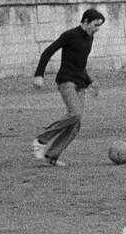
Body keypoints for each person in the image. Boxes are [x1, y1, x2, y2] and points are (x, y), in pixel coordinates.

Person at [31, 8, 105, 167]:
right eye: (95, 24)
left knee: (75, 124)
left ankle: (52, 155)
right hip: (66, 81)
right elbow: (47, 52)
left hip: (80, 84)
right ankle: (41, 139)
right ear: (85, 21)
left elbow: (80, 65)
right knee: (75, 113)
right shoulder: (70, 35)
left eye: (100, 25)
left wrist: (90, 81)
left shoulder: (90, 38)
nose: (97, 29)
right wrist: (39, 75)